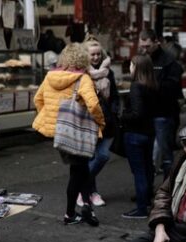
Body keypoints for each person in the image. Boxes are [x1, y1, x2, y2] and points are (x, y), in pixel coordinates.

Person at [32, 43, 104, 226]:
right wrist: (100, 122)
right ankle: (70, 213)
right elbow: (94, 105)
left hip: (59, 132)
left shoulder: (50, 76)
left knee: (81, 170)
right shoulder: (83, 79)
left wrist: (52, 119)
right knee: (77, 172)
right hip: (76, 133)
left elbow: (37, 99)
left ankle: (85, 206)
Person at [77, 39, 120, 207]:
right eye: (92, 54)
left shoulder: (108, 72)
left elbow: (115, 95)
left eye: (98, 54)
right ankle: (91, 192)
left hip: (107, 121)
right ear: (85, 55)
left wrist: (115, 110)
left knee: (103, 156)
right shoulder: (81, 73)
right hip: (87, 120)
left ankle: (82, 188)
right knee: (92, 157)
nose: (95, 57)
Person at [138, 29, 183, 180]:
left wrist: (150, 85)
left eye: (147, 46)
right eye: (142, 46)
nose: (145, 50)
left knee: (166, 156)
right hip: (146, 114)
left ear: (156, 42)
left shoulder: (168, 61)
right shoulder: (143, 59)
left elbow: (172, 87)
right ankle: (146, 191)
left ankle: (167, 190)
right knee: (146, 156)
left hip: (163, 113)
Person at [120, 54, 158, 219]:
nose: (130, 67)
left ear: (136, 68)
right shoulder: (152, 86)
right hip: (148, 133)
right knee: (148, 168)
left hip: (135, 134)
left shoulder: (136, 87)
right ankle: (147, 200)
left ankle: (141, 208)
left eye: (131, 65)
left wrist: (122, 116)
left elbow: (137, 113)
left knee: (139, 172)